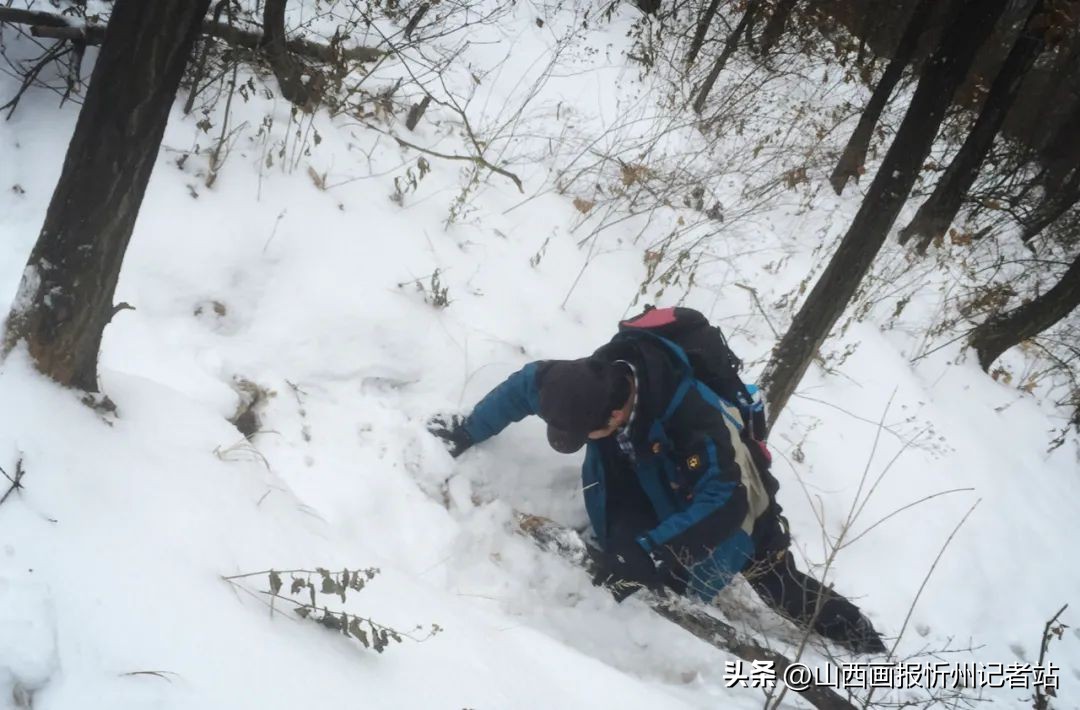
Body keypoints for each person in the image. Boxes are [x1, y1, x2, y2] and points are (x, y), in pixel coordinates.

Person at [429, 307, 886, 654]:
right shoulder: (584, 379)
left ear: (615, 413)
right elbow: (526, 385)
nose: (577, 438)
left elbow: (726, 501)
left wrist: (652, 555)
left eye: (584, 433)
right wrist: (467, 431)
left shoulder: (695, 419)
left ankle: (867, 645)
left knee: (776, 584)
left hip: (738, 500)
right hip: (651, 471)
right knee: (623, 552)